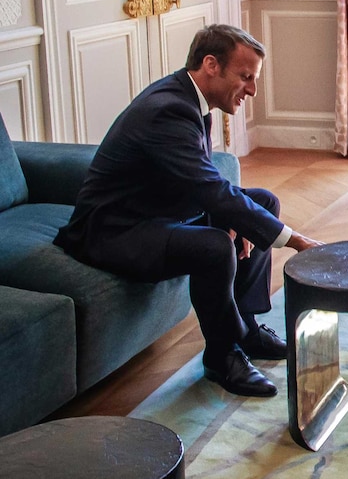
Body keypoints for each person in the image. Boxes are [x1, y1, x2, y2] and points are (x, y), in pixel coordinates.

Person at [54, 24, 322, 398]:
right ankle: (221, 354)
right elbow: (208, 188)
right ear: (211, 65)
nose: (252, 90)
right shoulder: (167, 111)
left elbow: (199, 180)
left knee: (263, 203)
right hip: (115, 231)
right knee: (213, 247)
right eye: (245, 77)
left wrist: (235, 219)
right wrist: (295, 240)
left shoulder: (191, 99)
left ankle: (245, 326)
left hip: (160, 212)